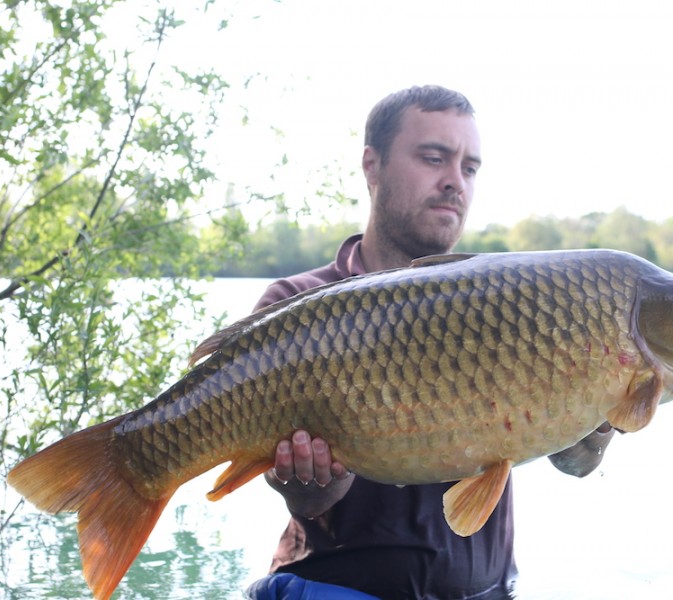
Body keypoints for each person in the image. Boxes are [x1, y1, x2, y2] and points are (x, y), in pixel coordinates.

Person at [247, 85, 616, 599]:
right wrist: (312, 486)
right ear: (372, 167)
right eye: (434, 158)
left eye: (469, 168)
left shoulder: (507, 302)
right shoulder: (298, 307)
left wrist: (601, 411)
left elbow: (576, 463)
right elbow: (308, 504)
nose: (454, 183)